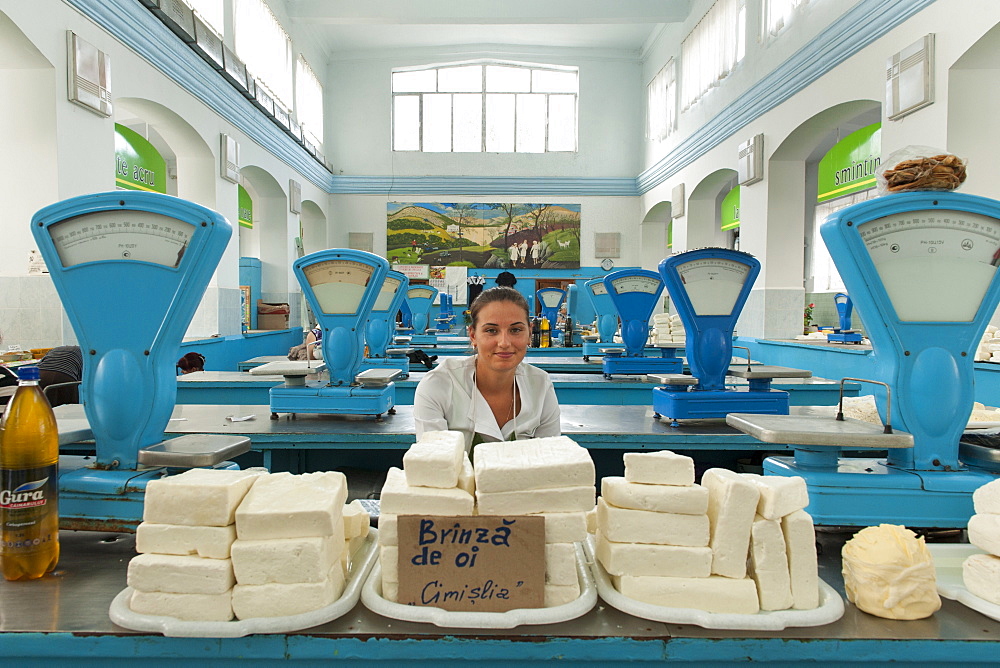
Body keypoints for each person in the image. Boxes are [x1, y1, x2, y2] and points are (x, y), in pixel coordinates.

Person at [413, 286, 560, 450]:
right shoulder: (438, 384)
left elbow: (549, 461)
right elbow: (434, 465)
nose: (504, 343)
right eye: (491, 330)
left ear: (529, 334)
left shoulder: (540, 385)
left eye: (516, 330)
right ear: (473, 336)